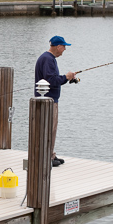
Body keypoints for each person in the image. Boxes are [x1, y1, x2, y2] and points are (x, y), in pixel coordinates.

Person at [34, 36, 77, 167]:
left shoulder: (48, 58)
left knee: (50, 129)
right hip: (48, 102)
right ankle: (47, 157)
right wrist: (66, 77)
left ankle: (50, 154)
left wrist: (65, 78)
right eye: (64, 47)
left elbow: (51, 78)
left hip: (49, 100)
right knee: (49, 128)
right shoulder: (48, 59)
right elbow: (51, 81)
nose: (64, 49)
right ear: (58, 46)